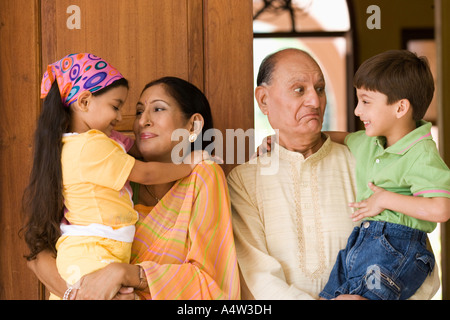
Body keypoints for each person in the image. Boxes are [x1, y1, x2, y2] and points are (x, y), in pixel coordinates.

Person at [227, 48, 440, 300]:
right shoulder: (244, 180)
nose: (315, 102)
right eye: (299, 90)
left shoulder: (368, 162)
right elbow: (257, 277)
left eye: (319, 89)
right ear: (263, 100)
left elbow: (417, 260)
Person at [26, 76, 241, 300]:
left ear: (193, 125)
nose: (142, 122)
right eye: (139, 112)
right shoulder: (114, 172)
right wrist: (79, 295)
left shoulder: (203, 175)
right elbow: (38, 253)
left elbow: (210, 281)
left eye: (158, 109)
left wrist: (125, 274)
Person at [317, 50, 450, 300]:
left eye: (366, 102)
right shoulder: (369, 141)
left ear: (400, 107)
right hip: (362, 240)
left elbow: (441, 209)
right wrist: (284, 141)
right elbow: (338, 137)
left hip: (399, 247)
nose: (357, 111)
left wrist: (384, 200)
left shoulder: (420, 152)